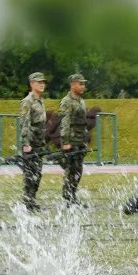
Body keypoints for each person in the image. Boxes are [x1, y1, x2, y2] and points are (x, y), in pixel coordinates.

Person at [18, 72, 49, 211]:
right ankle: (27, 201)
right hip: (30, 145)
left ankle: (32, 199)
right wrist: (26, 143)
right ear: (31, 84)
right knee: (30, 175)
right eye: (38, 82)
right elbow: (24, 123)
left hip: (39, 143)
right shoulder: (27, 101)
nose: (42, 84)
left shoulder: (40, 101)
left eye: (43, 82)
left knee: (37, 174)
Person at [57, 73, 89, 206]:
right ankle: (68, 198)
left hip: (80, 141)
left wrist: (85, 139)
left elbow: (83, 122)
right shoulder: (66, 101)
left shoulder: (81, 101)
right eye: (80, 84)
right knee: (71, 170)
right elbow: (64, 122)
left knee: (78, 170)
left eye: (83, 84)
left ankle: (72, 195)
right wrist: (65, 142)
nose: (83, 86)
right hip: (71, 141)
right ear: (73, 84)